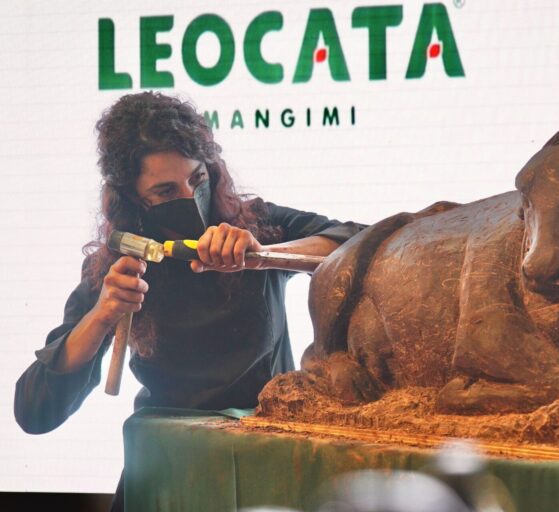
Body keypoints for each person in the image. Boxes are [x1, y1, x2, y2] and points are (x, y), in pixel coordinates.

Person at [13, 91, 364, 511]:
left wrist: (262, 257)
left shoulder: (255, 224)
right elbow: (34, 411)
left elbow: (360, 241)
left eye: (197, 179)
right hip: (168, 473)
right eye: (164, 191)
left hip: (265, 464)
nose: (188, 196)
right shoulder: (115, 267)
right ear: (131, 199)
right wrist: (103, 314)